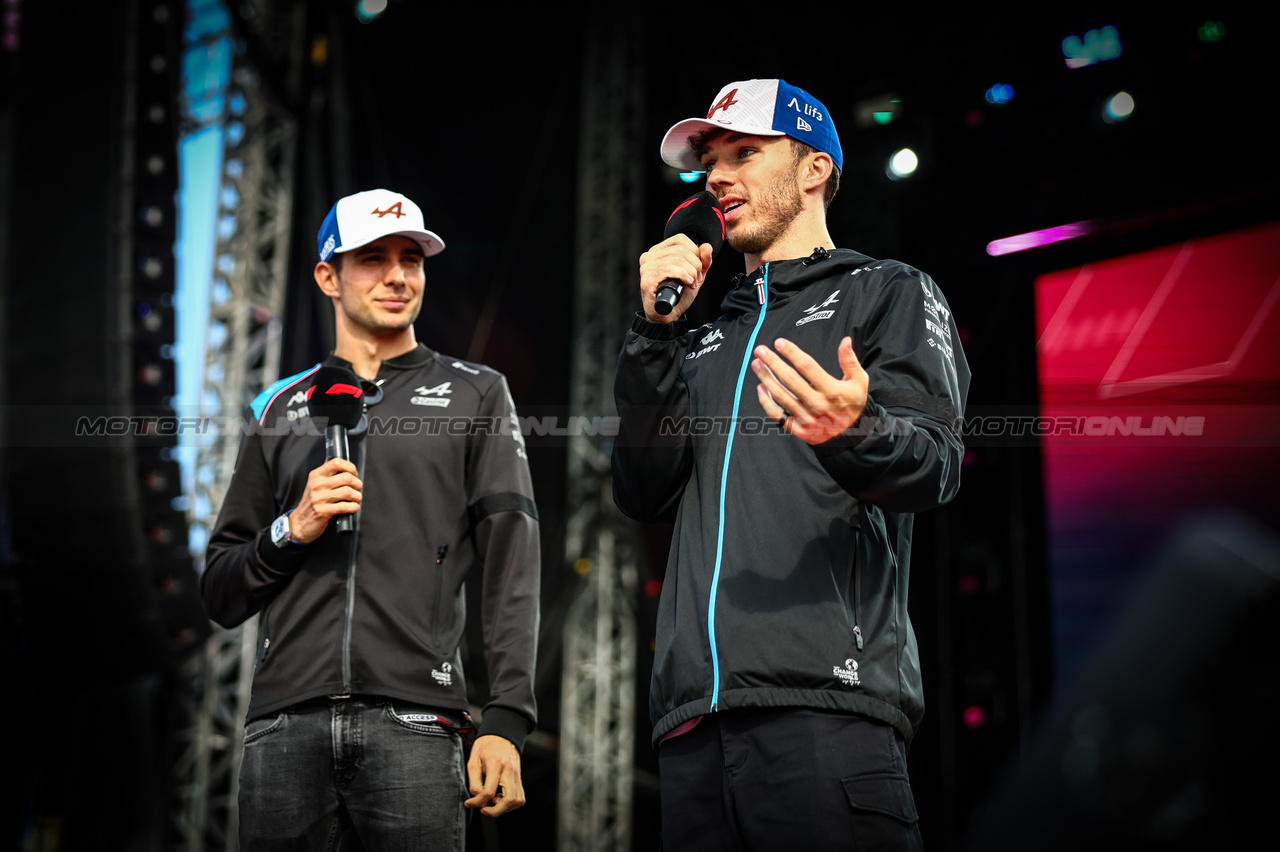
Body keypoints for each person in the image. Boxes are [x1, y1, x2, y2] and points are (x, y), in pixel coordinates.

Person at [612, 79, 970, 850]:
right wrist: (652, 336)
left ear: (813, 169)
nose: (717, 178)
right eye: (710, 162)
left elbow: (935, 463)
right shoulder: (699, 339)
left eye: (744, 153)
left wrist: (853, 428)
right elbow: (642, 490)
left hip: (828, 714)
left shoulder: (886, 291)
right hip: (691, 727)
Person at [202, 188, 540, 851]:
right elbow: (219, 589)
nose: (398, 276)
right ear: (328, 276)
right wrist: (290, 528)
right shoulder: (278, 406)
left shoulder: (478, 392)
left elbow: (513, 564)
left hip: (419, 724)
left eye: (411, 258)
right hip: (281, 730)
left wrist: (506, 720)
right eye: (373, 258)